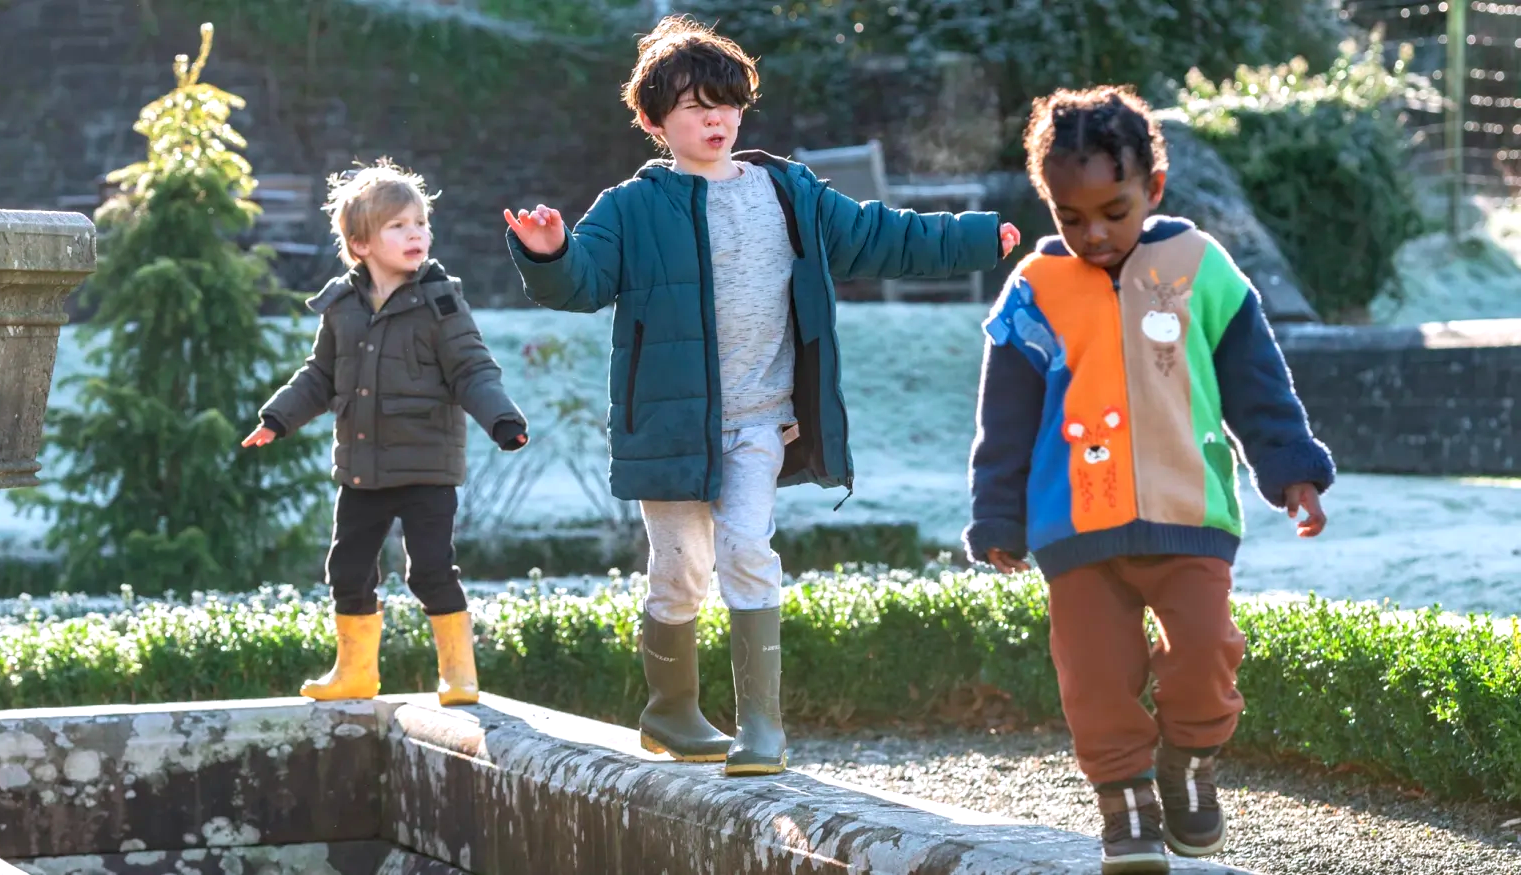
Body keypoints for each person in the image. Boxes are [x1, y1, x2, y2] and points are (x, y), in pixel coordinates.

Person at [503, 16, 1019, 776]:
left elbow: (882, 236)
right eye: (693, 107)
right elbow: (579, 282)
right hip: (670, 428)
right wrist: (547, 253)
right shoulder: (629, 207)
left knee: (747, 549)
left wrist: (975, 239)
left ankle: (760, 726)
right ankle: (670, 710)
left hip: (759, 421)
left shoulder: (788, 191)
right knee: (678, 571)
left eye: (727, 102)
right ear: (653, 122)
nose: (714, 118)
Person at [964, 86, 1332, 874]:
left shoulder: (1200, 267)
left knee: (1203, 651)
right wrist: (997, 514)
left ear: (1152, 191)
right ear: (1049, 204)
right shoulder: (1034, 288)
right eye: (1070, 216)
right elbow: (1004, 420)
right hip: (1073, 526)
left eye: (1113, 210)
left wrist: (1292, 470)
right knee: (1093, 678)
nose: (1092, 232)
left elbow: (1256, 385)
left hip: (1189, 509)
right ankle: (1123, 800)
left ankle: (1189, 760)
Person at [243, 159, 529, 707]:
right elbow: (319, 375)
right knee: (347, 569)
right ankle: (354, 673)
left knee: (429, 570)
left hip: (426, 466)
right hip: (361, 467)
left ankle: (459, 674)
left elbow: (472, 367)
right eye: (398, 226)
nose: (416, 233)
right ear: (361, 244)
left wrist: (502, 419)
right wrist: (277, 417)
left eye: (420, 222)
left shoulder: (440, 300)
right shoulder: (342, 307)